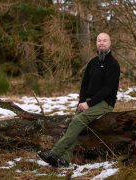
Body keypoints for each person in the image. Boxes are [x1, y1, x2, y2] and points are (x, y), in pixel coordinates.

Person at [38, 32, 120, 167]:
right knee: (73, 123)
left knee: (77, 120)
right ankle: (64, 160)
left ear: (110, 43)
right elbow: (84, 84)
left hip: (105, 103)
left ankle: (55, 153)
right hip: (88, 102)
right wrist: (81, 102)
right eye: (99, 40)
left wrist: (89, 104)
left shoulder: (113, 64)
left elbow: (107, 90)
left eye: (105, 41)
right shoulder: (92, 62)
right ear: (96, 43)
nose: (101, 43)